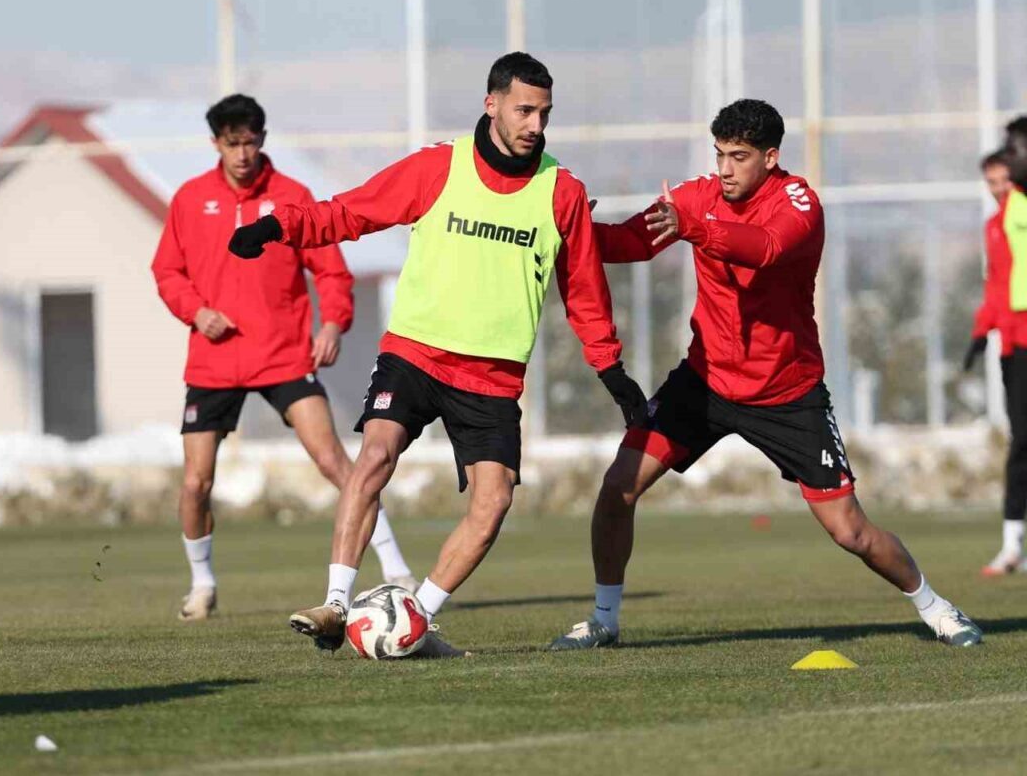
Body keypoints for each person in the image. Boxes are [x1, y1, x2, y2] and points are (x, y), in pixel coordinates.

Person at [228, 53, 647, 657]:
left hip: (492, 376)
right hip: (416, 352)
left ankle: (414, 619)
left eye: (544, 113)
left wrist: (612, 371)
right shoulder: (439, 167)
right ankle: (336, 604)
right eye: (524, 110)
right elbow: (351, 211)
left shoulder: (562, 192)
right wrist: (277, 227)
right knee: (375, 454)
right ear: (492, 104)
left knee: (493, 502)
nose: (535, 125)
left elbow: (584, 290)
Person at [550, 98, 982, 650]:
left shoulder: (799, 202)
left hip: (787, 393)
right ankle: (604, 619)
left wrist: (695, 228)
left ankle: (936, 607)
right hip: (705, 381)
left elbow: (768, 249)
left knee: (850, 531)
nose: (725, 169)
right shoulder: (698, 197)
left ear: (770, 158)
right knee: (618, 487)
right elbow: (629, 243)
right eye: (719, 155)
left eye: (739, 157)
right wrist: (576, 229)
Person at [151, 94, 417, 621]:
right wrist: (195, 311)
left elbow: (333, 271)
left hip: (284, 356)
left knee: (338, 463)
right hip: (214, 362)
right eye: (232, 144)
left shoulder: (292, 197)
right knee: (196, 483)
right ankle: (202, 584)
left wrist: (333, 322)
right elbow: (167, 271)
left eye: (250, 142)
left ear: (263, 140)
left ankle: (396, 568)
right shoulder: (190, 199)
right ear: (215, 143)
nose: (242, 154)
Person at [966, 138, 1027, 575]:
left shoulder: (1021, 210)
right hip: (1013, 344)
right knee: (1021, 440)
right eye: (991, 182)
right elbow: (997, 285)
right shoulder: (994, 225)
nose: (998, 188)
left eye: (1004, 180)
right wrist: (980, 331)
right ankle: (1012, 546)